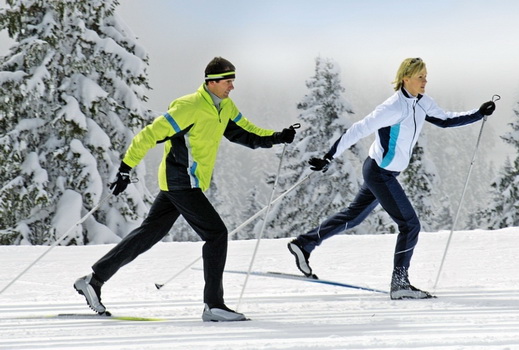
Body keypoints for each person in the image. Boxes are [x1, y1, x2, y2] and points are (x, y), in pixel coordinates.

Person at [74, 57, 296, 321]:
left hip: (185, 183)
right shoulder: (188, 107)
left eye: (233, 81)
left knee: (149, 233)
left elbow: (245, 132)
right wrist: (125, 168)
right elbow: (148, 135)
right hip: (181, 180)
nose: (232, 87)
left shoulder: (224, 107)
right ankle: (213, 305)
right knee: (216, 234)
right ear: (212, 82)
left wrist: (277, 137)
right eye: (228, 82)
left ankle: (93, 280)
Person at [287, 57, 496, 300]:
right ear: (406, 78)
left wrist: (478, 113)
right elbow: (358, 129)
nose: (425, 81)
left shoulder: (422, 102)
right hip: (380, 173)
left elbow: (445, 120)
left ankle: (304, 244)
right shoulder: (393, 107)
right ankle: (400, 283)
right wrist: (329, 157)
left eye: (426, 76)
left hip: (382, 172)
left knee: (353, 216)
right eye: (420, 77)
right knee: (410, 225)